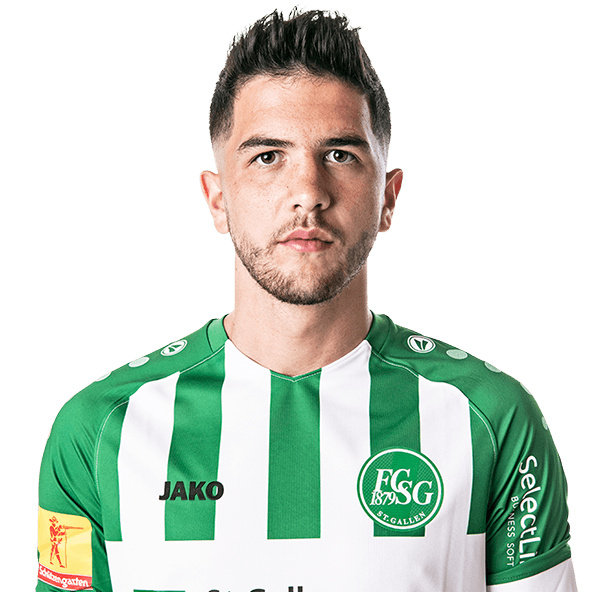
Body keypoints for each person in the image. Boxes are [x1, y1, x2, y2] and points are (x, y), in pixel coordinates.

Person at [37, 7, 577, 592]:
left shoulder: (491, 419)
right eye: (268, 156)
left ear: (388, 197)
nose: (308, 193)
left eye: (340, 155)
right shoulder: (99, 430)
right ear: (217, 199)